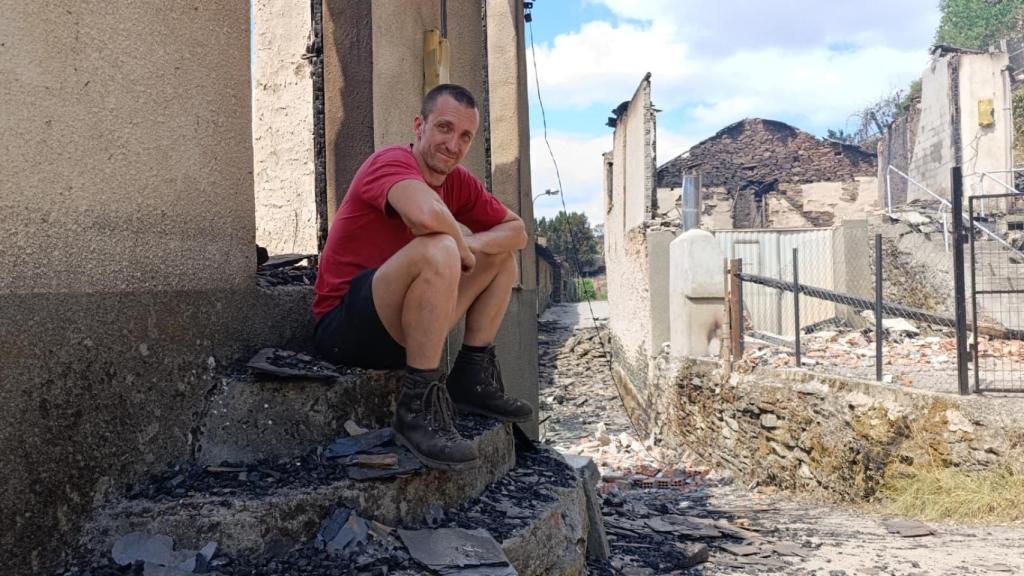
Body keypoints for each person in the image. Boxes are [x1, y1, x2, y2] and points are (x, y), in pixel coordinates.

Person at [312, 84, 534, 471]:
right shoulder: (391, 162)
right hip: (344, 326)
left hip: (403, 331)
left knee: (501, 257)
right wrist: (461, 247)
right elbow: (426, 217)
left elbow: (517, 232)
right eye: (444, 128)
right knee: (439, 247)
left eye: (465, 136)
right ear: (420, 125)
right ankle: (417, 409)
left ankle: (471, 376)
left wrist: (475, 245)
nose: (453, 144)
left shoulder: (458, 182)